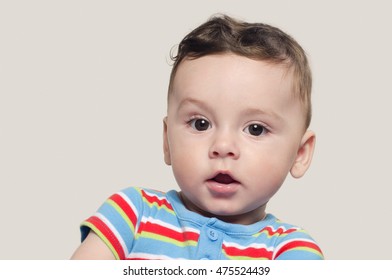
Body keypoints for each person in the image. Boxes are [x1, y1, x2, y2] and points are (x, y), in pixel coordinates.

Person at [71, 14, 323, 260]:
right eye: (200, 124)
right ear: (167, 140)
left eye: (255, 129)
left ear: (300, 154)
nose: (223, 147)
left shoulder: (291, 251)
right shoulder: (132, 214)